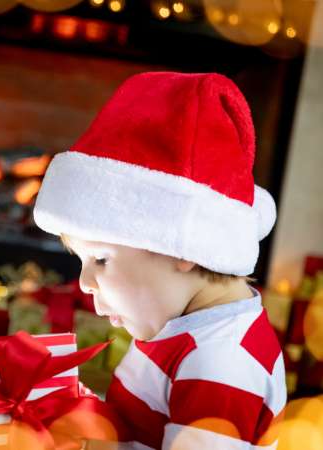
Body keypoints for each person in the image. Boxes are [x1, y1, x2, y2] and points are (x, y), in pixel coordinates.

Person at [33, 72, 286, 449]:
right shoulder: (177, 324)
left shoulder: (220, 364)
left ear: (182, 249)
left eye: (101, 259)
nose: (84, 282)